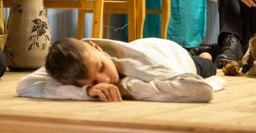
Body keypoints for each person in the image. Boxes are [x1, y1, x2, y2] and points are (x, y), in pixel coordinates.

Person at [16, 37, 224, 103]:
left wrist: (127, 87)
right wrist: (85, 92)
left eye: (101, 67)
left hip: (174, 55)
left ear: (96, 46)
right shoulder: (73, 59)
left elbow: (201, 90)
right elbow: (25, 85)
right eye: (95, 82)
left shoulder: (140, 63)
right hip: (146, 44)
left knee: (207, 66)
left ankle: (205, 54)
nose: (106, 80)